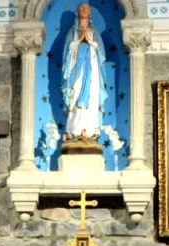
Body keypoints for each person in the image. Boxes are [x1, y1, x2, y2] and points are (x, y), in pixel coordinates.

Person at [61, 2, 106, 141]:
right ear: (77, 12)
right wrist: (79, 40)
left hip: (92, 69)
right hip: (76, 69)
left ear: (90, 12)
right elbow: (67, 52)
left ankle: (90, 130)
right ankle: (73, 130)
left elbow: (102, 53)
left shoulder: (94, 31)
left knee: (92, 95)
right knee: (75, 93)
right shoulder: (73, 31)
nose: (84, 10)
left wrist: (90, 42)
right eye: (81, 8)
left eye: (86, 8)